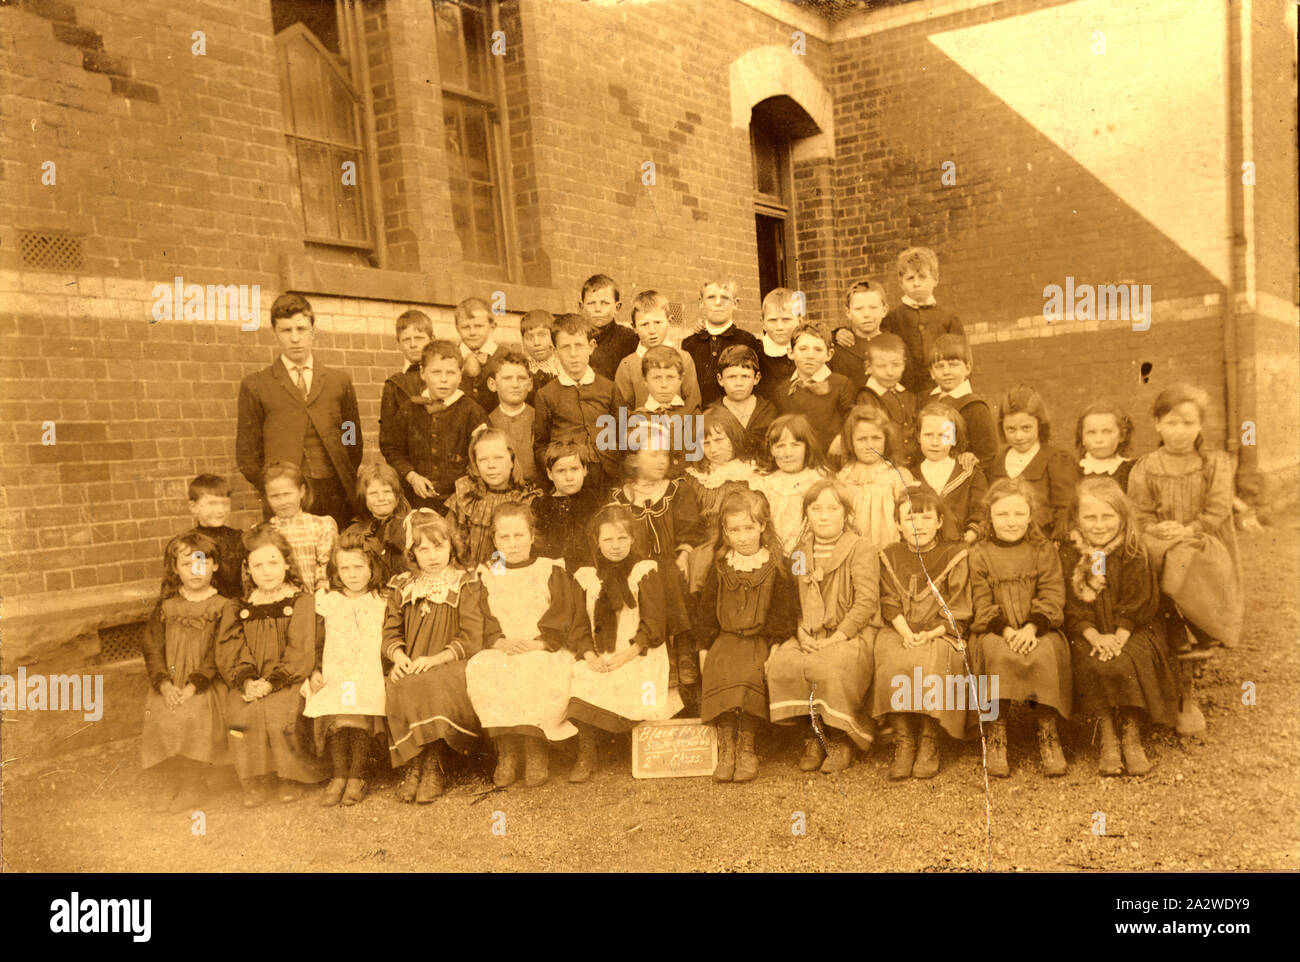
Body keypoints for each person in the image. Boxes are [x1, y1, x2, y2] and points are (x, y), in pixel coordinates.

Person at [1127, 383, 1242, 737]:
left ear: (1200, 426)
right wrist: (1158, 529)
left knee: (1180, 559)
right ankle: (1171, 634)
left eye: (1188, 423)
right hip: (1159, 538)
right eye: (1172, 423)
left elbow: (1219, 509)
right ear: (1158, 424)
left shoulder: (1214, 463)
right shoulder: (1146, 466)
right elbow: (1138, 511)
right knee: (1143, 556)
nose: (1180, 431)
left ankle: (1197, 629)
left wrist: (1189, 529)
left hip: (1202, 540)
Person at [465, 503, 591, 789]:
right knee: (482, 667)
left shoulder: (549, 568)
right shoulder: (490, 574)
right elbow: (482, 613)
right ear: (494, 541)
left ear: (533, 536)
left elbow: (563, 611)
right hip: (502, 646)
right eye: (505, 537)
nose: (513, 543)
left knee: (538, 669)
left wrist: (543, 642)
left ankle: (536, 748)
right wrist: (498, 640)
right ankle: (507, 749)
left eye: (519, 535)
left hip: (542, 647)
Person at [1062, 477, 1179, 776]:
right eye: (1090, 517)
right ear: (1077, 518)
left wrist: (1118, 636)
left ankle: (1130, 730)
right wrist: (1094, 635)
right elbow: (1072, 606)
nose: (1099, 525)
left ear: (1122, 517)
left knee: (1127, 661)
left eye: (1107, 516)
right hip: (1088, 629)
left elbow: (1140, 600)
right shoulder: (1071, 552)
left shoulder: (1132, 549)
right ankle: (1107, 735)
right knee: (1092, 662)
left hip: (1133, 627)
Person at [384, 509, 499, 803]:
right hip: (414, 663)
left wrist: (435, 659)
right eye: (423, 549)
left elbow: (472, 637)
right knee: (402, 683)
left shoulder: (465, 582)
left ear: (452, 546)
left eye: (439, 546)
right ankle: (415, 765)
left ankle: (434, 765)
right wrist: (398, 657)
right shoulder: (402, 585)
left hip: (452, 662)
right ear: (412, 552)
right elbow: (390, 632)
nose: (432, 555)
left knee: (434, 683)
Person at [767, 479, 880, 773]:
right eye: (816, 509)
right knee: (784, 662)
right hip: (810, 630)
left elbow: (866, 602)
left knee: (831, 666)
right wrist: (800, 629)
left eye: (833, 508)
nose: (825, 515)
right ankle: (814, 734)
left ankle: (840, 737)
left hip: (849, 632)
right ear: (807, 514)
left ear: (846, 514)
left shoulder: (861, 548)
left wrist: (837, 637)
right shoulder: (799, 552)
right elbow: (793, 598)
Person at [566, 505, 684, 782]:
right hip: (600, 653)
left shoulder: (644, 571)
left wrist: (626, 655)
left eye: (622, 539)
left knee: (636, 683)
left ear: (633, 539)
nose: (615, 546)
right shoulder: (587, 577)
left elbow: (654, 625)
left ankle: (635, 749)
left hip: (640, 652)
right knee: (583, 676)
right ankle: (588, 753)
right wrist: (589, 655)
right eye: (608, 539)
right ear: (597, 541)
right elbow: (579, 624)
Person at [217, 524, 328, 806]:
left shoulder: (300, 601)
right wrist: (247, 681)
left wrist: (272, 681)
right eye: (258, 565)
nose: (266, 571)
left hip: (286, 679)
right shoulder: (239, 606)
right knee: (242, 713)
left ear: (287, 563)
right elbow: (231, 648)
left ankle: (290, 776)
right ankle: (255, 779)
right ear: (247, 569)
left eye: (273, 562)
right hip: (252, 680)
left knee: (281, 715)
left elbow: (301, 647)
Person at [969, 478, 1071, 777]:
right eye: (1002, 514)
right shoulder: (980, 553)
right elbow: (980, 601)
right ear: (990, 517)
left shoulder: (1042, 550)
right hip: (996, 629)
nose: (1011, 521)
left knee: (1045, 652)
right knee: (997, 654)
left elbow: (1053, 595)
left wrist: (1030, 628)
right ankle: (997, 732)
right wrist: (1008, 631)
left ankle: (1047, 729)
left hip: (1037, 627)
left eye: (1018, 513)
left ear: (1030, 515)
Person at [695, 490, 797, 783]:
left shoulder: (777, 566)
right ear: (725, 531)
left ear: (763, 526)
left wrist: (775, 650)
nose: (742, 536)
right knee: (719, 670)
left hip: (759, 642)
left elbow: (783, 615)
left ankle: (747, 746)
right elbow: (705, 615)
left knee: (750, 676)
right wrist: (704, 650)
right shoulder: (720, 566)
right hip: (725, 639)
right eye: (734, 530)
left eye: (749, 528)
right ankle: (727, 748)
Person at [236, 292, 363, 529]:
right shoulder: (256, 385)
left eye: (301, 329)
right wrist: (275, 488)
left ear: (312, 330)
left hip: (335, 491)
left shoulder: (339, 381)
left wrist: (342, 472)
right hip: (287, 495)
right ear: (275, 334)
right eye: (286, 331)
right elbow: (247, 455)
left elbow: (352, 438)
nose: (295, 338)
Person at [871, 488, 973, 780]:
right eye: (909, 518)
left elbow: (960, 605)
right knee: (891, 656)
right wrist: (905, 631)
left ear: (940, 521)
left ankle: (930, 737)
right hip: (900, 627)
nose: (919, 525)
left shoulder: (955, 554)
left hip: (942, 630)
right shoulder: (889, 555)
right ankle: (904, 738)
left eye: (927, 517)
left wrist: (931, 633)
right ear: (898, 524)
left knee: (933, 659)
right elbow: (888, 600)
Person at [140, 532, 236, 812]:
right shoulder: (166, 605)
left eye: (202, 562)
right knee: (161, 712)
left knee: (193, 714)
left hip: (206, 682)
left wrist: (194, 685)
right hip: (170, 680)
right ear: (174, 568)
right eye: (186, 564)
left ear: (215, 565)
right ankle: (175, 780)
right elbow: (152, 646)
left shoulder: (223, 606)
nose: (195, 571)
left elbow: (218, 653)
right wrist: (164, 684)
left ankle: (194, 783)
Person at [303, 533, 388, 806]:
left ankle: (356, 775)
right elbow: (316, 642)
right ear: (336, 572)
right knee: (336, 714)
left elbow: (391, 637)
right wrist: (314, 670)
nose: (352, 574)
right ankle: (339, 774)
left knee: (361, 710)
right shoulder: (328, 601)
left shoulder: (381, 600)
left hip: (369, 671)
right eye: (345, 568)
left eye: (359, 567)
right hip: (335, 671)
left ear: (372, 567)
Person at [380, 339, 489, 512]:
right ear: (423, 373)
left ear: (461, 374)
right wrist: (411, 476)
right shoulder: (409, 409)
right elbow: (392, 449)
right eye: (436, 372)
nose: (444, 380)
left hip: (462, 502)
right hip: (416, 500)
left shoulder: (472, 411)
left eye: (451, 373)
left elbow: (483, 455)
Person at [532, 313, 619, 491]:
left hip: (607, 480)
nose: (573, 354)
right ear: (555, 352)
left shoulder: (609, 388)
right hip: (568, 482)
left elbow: (624, 433)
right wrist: (559, 465)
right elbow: (540, 446)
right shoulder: (546, 395)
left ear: (591, 347)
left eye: (579, 346)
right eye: (565, 347)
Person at [682, 409, 762, 592]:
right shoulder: (696, 476)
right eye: (706, 443)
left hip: (736, 539)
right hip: (701, 541)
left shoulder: (749, 473)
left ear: (734, 437)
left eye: (719, 440)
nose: (713, 449)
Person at [988, 384, 1080, 542]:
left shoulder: (1057, 459)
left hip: (1043, 546)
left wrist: (1054, 543)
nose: (1018, 436)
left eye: (1026, 428)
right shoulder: (998, 460)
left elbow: (1066, 510)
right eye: (1011, 429)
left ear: (1040, 425)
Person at [443, 427, 542, 568]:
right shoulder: (467, 494)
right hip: (469, 571)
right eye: (483, 460)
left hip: (509, 574)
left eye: (498, 458)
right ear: (475, 464)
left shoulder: (525, 498)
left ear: (512, 461)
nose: (491, 466)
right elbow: (451, 536)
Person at [880, 246, 965, 396]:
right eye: (910, 278)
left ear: (935, 279)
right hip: (906, 395)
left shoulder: (949, 319)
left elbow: (962, 360)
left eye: (922, 277)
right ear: (901, 283)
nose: (916, 284)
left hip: (942, 393)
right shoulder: (891, 320)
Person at [835, 405, 915, 549]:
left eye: (876, 438)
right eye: (861, 439)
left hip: (889, 547)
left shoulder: (896, 474)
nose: (869, 445)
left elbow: (909, 514)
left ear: (886, 439)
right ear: (850, 441)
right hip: (852, 548)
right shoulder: (843, 477)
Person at [613, 289, 702, 412]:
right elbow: (622, 412)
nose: (652, 330)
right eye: (644, 324)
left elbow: (693, 406)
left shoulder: (684, 358)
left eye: (658, 322)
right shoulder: (627, 365)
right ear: (634, 327)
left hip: (679, 428)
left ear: (669, 322)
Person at [911, 401, 987, 544]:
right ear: (918, 437)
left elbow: (981, 513)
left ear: (954, 439)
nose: (935, 442)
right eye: (928, 435)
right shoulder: (910, 475)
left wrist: (967, 540)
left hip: (963, 548)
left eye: (943, 436)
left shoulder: (970, 473)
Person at [754, 414, 829, 554]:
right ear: (771, 450)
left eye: (796, 445)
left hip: (813, 552)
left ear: (807, 447)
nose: (787, 453)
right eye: (780, 446)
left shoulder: (819, 479)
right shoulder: (765, 482)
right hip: (773, 552)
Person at [777, 322, 855, 453]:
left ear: (829, 354)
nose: (810, 355)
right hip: (796, 459)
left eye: (818, 350)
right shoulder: (783, 389)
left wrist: (841, 439)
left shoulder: (841, 384)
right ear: (791, 353)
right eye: (803, 349)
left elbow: (851, 422)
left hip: (831, 457)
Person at [683, 277, 761, 408]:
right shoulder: (689, 344)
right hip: (699, 418)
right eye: (711, 297)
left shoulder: (748, 340)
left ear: (735, 303)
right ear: (701, 302)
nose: (718, 303)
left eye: (725, 298)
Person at [927, 333, 998, 475]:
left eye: (953, 365)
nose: (946, 372)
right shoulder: (927, 401)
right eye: (940, 366)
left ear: (967, 368)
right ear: (932, 372)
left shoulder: (975, 407)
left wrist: (972, 459)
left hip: (962, 480)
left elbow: (988, 454)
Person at [262, 461, 337, 592]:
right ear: (267, 498)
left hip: (317, 599)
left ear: (301, 491)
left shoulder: (321, 525)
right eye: (275, 496)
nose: (283, 501)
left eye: (287, 494)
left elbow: (325, 567)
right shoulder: (264, 531)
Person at [532, 441, 599, 572]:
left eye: (574, 469)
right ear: (550, 474)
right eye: (561, 471)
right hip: (554, 571)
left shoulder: (592, 500)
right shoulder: (541, 505)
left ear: (585, 470)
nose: (569, 477)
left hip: (587, 570)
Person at [378, 309, 433, 464]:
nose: (413, 344)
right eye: (406, 340)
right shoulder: (394, 385)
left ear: (431, 339)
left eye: (419, 338)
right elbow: (388, 442)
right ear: (399, 344)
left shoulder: (446, 375)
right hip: (410, 470)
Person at [344, 462, 411, 583]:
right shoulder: (353, 533)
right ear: (364, 498)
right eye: (373, 493)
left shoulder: (411, 526)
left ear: (397, 495)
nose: (381, 498)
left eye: (387, 491)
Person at [181, 473, 245, 600]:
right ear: (193, 507)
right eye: (212, 504)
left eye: (225, 504)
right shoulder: (187, 543)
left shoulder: (239, 538)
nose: (220, 510)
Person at [709, 345, 776, 462]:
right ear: (720, 379)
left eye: (745, 376)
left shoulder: (768, 410)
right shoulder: (712, 412)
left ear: (756, 378)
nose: (738, 383)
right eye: (731, 377)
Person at [486, 349, 540, 487]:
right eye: (507, 378)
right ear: (492, 384)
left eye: (521, 378)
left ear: (530, 384)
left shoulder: (539, 418)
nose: (515, 384)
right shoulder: (488, 422)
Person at [830, 279, 889, 394]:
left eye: (873, 307)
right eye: (859, 309)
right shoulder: (839, 350)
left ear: (884, 310)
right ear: (848, 312)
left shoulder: (895, 345)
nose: (866, 314)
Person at [580, 273, 640, 379]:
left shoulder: (629, 338)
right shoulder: (576, 336)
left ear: (617, 307)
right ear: (581, 306)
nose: (597, 309)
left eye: (604, 303)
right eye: (591, 303)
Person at [455, 296, 503, 413]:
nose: (472, 332)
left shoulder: (506, 356)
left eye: (478, 326)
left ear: (492, 327)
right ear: (457, 328)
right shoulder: (450, 356)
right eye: (466, 327)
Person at [1076, 399, 1136, 491]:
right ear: (1082, 438)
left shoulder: (1132, 470)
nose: (1099, 439)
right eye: (1091, 432)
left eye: (1107, 432)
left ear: (1122, 436)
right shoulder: (1073, 470)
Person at [753, 287, 799, 406]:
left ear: (800, 320)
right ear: (763, 323)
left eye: (786, 319)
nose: (779, 327)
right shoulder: (755, 352)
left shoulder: (807, 350)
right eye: (772, 320)